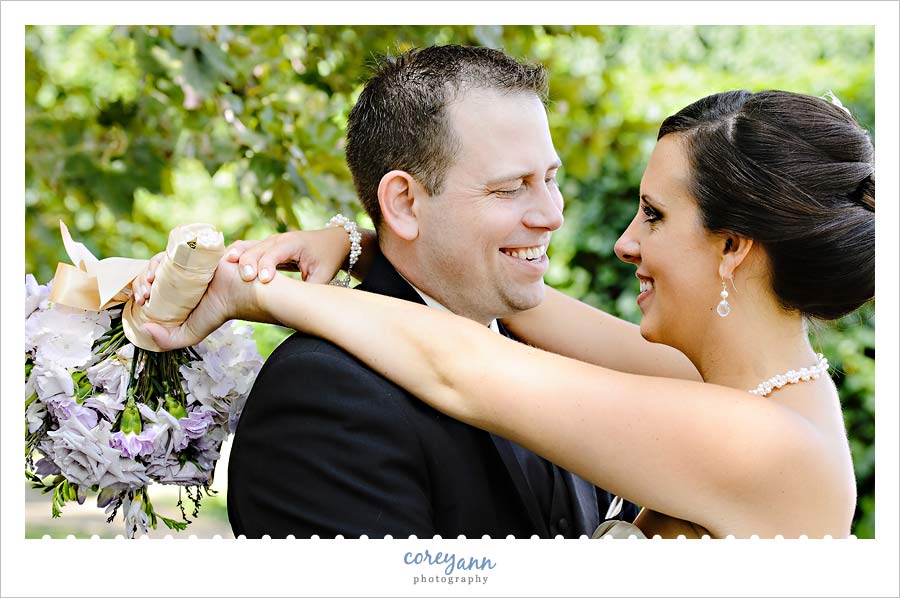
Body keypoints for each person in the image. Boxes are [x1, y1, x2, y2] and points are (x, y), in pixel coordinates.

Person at [142, 88, 874, 539]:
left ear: (733, 247)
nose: (623, 242)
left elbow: (464, 367)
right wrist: (361, 241)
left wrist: (252, 291)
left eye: (652, 215)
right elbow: (516, 303)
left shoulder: (764, 446)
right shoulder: (757, 388)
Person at [136, 45, 651, 539]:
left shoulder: (559, 350)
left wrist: (355, 242)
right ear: (404, 203)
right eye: (511, 187)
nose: (552, 215)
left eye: (550, 179)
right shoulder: (322, 396)